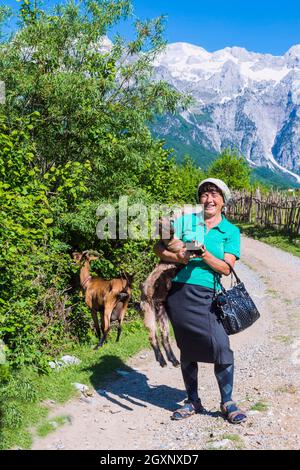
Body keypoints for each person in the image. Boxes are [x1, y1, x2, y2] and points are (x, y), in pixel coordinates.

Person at [154, 178, 247, 424]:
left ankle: (227, 402)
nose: (209, 199)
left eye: (214, 195)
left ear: (223, 201)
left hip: (208, 294)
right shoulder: (185, 222)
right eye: (205, 194)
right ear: (200, 199)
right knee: (188, 347)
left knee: (221, 345)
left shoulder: (230, 231)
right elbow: (158, 248)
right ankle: (192, 400)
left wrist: (204, 254)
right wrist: (180, 256)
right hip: (180, 293)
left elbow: (226, 268)